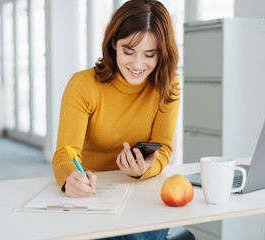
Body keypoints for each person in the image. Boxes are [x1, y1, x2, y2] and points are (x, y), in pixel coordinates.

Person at [52, 0, 180, 239]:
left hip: (141, 193)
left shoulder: (168, 86)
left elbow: (164, 149)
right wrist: (71, 176)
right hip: (93, 192)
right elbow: (65, 152)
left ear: (162, 53)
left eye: (150, 55)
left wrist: (146, 169)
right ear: (114, 44)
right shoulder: (83, 85)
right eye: (128, 52)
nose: (138, 65)